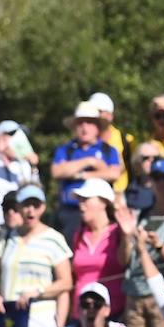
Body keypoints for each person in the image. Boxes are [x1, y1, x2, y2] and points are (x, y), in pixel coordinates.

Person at [0, 184, 73, 327]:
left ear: (43, 207)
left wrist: (37, 292)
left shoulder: (54, 239)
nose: (30, 211)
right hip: (9, 316)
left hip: (40, 314)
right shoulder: (6, 238)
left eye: (36, 205)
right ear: (18, 207)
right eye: (26, 205)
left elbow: (66, 282)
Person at [121, 158, 164, 327]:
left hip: (163, 297)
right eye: (156, 177)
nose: (161, 183)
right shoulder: (140, 215)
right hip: (134, 294)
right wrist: (126, 235)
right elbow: (123, 259)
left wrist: (159, 246)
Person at [51, 100, 122, 239]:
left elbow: (114, 173)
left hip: (100, 212)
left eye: (89, 122)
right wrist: (89, 162)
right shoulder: (66, 150)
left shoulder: (108, 150)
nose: (84, 127)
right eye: (80, 123)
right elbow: (57, 171)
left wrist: (82, 174)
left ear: (97, 127)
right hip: (70, 212)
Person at [67, 178, 129, 319]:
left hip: (113, 314)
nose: (81, 205)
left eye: (86, 199)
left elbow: (125, 262)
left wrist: (126, 236)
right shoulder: (79, 235)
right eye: (80, 200)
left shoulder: (118, 232)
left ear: (103, 202)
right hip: (81, 314)